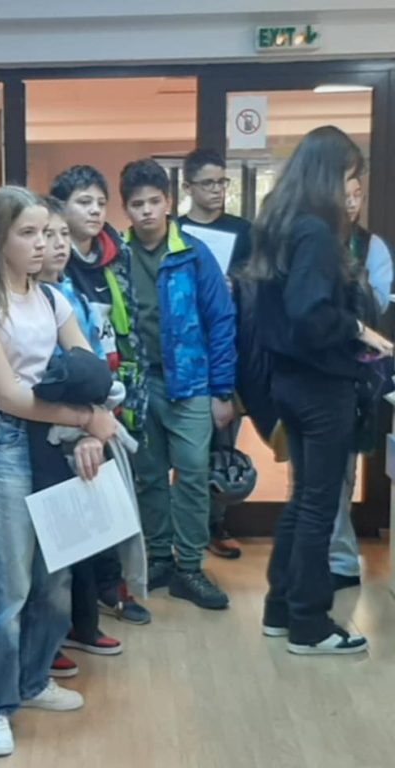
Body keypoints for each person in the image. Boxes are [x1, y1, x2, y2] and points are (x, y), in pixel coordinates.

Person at [0, 185, 119, 757]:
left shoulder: (52, 298)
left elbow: (91, 367)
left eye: (47, 231)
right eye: (28, 233)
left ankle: (31, 679)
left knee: (55, 579)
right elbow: (10, 395)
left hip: (54, 441)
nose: (43, 242)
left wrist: (88, 423)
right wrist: (87, 416)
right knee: (7, 585)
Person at [252, 126, 393, 655]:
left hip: (290, 383)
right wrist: (358, 329)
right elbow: (309, 310)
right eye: (350, 176)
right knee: (318, 506)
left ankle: (280, 609)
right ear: (331, 174)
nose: (353, 188)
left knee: (304, 501)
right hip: (320, 385)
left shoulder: (281, 224)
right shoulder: (314, 231)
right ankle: (309, 625)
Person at [120, 158, 236, 610]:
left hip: (191, 383)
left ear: (169, 201)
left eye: (154, 201)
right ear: (126, 209)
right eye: (137, 204)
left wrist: (222, 391)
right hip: (137, 385)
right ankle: (159, 558)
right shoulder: (117, 256)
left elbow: (221, 321)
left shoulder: (193, 253)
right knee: (148, 475)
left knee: (191, 473)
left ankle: (189, 566)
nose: (147, 211)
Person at [50, 164, 152, 627]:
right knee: (77, 502)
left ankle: (110, 588)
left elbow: (130, 324)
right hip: (72, 397)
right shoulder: (51, 264)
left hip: (116, 383)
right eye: (83, 202)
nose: (94, 211)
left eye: (99, 202)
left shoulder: (117, 254)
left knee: (112, 496)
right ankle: (78, 607)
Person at [37, 196, 123, 677]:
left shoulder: (75, 298)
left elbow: (100, 367)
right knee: (50, 549)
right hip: (44, 433)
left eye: (62, 236)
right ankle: (47, 641)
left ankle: (83, 624)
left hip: (88, 427)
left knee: (89, 536)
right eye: (44, 235)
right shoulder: (19, 302)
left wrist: (96, 421)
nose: (55, 245)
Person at [179, 148, 253, 559]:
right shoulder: (175, 231)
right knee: (185, 449)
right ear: (188, 187)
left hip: (228, 348)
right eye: (207, 183)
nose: (217, 190)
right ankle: (180, 529)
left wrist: (236, 286)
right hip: (184, 350)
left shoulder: (243, 230)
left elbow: (261, 279)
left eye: (222, 182)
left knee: (223, 444)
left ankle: (215, 524)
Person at [328, 173, 393, 591]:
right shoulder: (309, 240)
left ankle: (341, 561)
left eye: (357, 195)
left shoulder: (372, 246)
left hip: (357, 367)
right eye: (344, 195)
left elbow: (379, 303)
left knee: (343, 471)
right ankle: (325, 557)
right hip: (313, 369)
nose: (352, 203)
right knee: (316, 474)